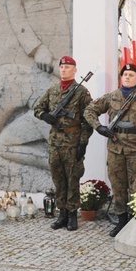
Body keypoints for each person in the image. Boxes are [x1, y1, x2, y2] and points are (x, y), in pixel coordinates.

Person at [84, 63, 136, 237]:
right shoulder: (112, 96)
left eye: (131, 74)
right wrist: (99, 128)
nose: (127, 77)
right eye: (125, 74)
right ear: (121, 77)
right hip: (116, 148)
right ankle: (121, 221)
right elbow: (89, 110)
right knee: (118, 186)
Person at [34, 56, 93, 231]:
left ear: (75, 70)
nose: (64, 70)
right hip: (55, 142)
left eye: (68, 67)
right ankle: (62, 214)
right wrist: (45, 116)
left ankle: (73, 215)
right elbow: (38, 108)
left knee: (73, 178)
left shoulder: (82, 92)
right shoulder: (52, 90)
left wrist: (83, 142)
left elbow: (89, 119)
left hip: (73, 141)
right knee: (58, 178)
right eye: (62, 67)